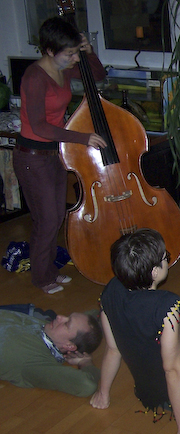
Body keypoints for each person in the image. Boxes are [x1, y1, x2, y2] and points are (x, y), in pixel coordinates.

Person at [90, 229, 180, 434]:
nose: (167, 261)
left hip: (149, 393)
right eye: (165, 257)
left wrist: (103, 394)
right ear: (154, 272)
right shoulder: (166, 305)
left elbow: (113, 349)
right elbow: (172, 370)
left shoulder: (111, 290)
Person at [12, 17, 107, 294]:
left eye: (76, 53)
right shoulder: (34, 77)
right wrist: (83, 137)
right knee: (47, 219)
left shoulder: (62, 69)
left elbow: (97, 75)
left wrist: (89, 52)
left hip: (53, 153)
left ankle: (49, 270)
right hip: (31, 157)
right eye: (70, 54)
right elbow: (39, 126)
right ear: (50, 50)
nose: (75, 58)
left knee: (56, 216)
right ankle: (41, 278)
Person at [0, 303, 102, 397]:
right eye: (67, 316)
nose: (59, 317)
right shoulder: (47, 328)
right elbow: (95, 313)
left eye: (66, 324)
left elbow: (87, 384)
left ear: (69, 346)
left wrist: (86, 362)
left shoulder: (35, 362)